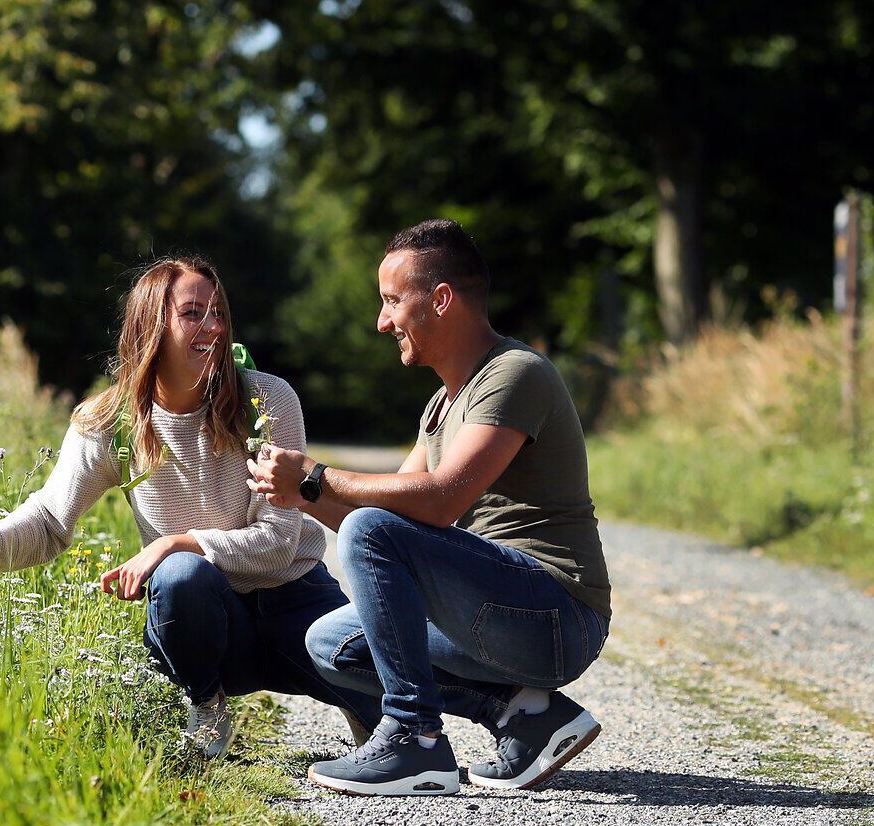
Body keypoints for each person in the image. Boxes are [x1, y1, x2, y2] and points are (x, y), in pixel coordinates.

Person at [0, 256, 380, 759]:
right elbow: (49, 518)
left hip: (294, 601)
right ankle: (206, 702)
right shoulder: (111, 421)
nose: (214, 326)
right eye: (194, 312)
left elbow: (280, 542)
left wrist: (178, 540)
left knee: (387, 695)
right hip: (200, 612)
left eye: (219, 313)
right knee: (179, 577)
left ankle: (360, 705)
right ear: (153, 323)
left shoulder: (265, 401)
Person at [248, 219, 610, 796]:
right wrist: (302, 497)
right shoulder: (442, 404)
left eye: (392, 301)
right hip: (495, 613)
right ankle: (525, 716)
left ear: (441, 300)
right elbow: (378, 535)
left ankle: (416, 741)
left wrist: (317, 475)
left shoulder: (516, 374)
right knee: (330, 643)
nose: (382, 321)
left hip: (555, 617)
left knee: (373, 530)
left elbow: (440, 500)